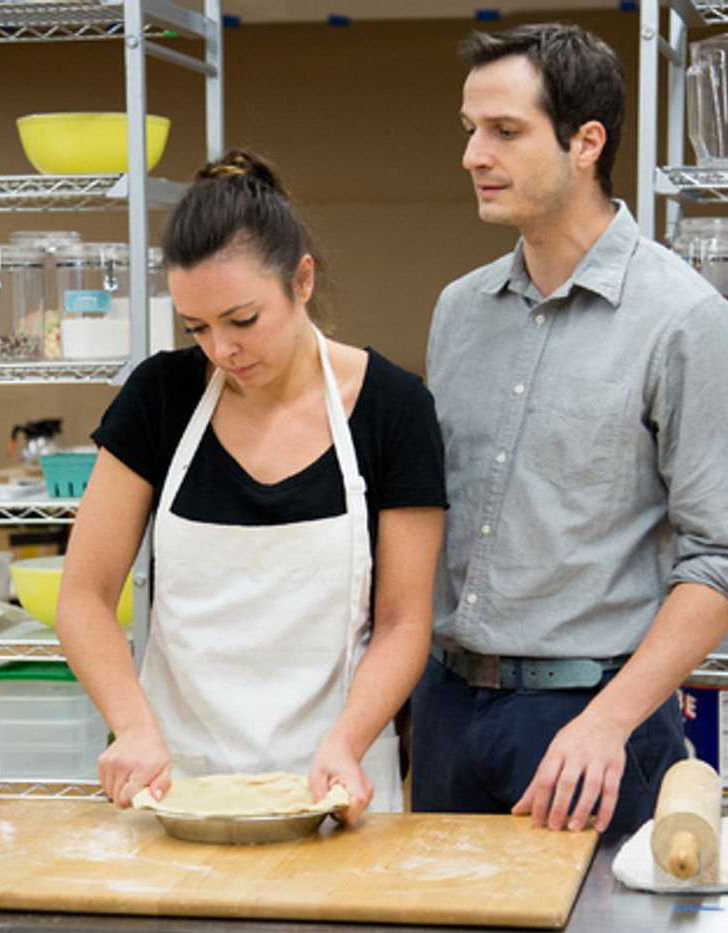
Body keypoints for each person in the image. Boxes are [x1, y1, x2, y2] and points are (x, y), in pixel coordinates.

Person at [413, 23, 728, 837]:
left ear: (586, 142)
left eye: (505, 131)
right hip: (444, 712)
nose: (473, 154)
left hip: (590, 724)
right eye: (470, 130)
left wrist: (610, 720)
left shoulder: (684, 319)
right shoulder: (458, 312)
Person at [56, 150, 446, 822]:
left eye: (242, 320)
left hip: (334, 784)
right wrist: (133, 726)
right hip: (176, 786)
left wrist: (348, 741)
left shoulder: (393, 408)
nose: (221, 350)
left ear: (301, 280)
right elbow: (84, 595)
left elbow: (405, 622)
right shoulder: (160, 398)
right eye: (197, 328)